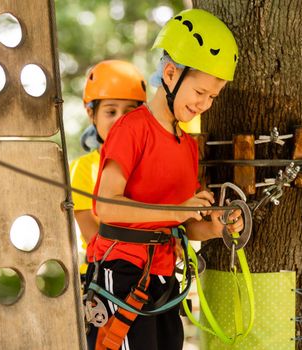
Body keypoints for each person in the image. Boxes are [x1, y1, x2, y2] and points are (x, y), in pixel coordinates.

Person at [84, 9, 244, 350]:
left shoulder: (187, 146)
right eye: (200, 91)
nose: (205, 104)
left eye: (213, 97)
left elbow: (183, 223)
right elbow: (107, 207)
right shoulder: (132, 129)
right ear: (170, 73)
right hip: (121, 272)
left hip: (162, 277)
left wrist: (217, 226)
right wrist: (176, 209)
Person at [69, 60, 147, 278]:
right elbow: (92, 235)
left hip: (151, 274)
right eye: (110, 111)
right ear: (91, 114)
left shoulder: (149, 166)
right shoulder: (82, 170)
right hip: (104, 277)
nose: (120, 120)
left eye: (129, 112)